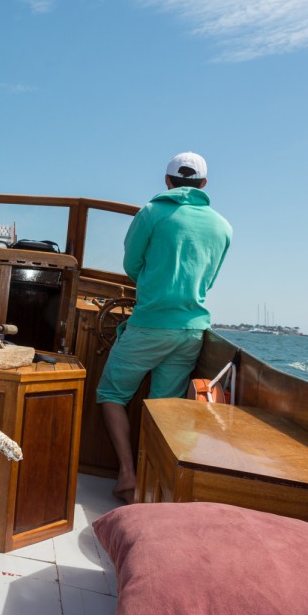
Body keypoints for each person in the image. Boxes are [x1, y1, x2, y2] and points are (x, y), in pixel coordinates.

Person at [96, 152, 232, 503]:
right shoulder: (223, 227)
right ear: (203, 185)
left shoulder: (152, 212)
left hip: (149, 324)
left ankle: (127, 475)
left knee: (111, 394)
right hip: (191, 331)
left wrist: (155, 283)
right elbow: (210, 278)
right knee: (162, 409)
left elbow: (131, 264)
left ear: (168, 182)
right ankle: (149, 484)